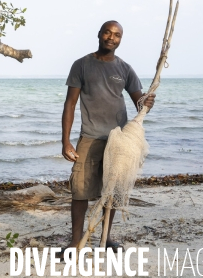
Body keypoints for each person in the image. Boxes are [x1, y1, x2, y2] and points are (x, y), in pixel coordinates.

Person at [61, 20, 155, 251]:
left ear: (120, 39)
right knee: (79, 191)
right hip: (90, 137)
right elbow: (70, 104)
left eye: (117, 35)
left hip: (118, 141)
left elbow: (139, 104)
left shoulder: (124, 68)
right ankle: (75, 242)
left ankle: (105, 239)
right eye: (108, 33)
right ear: (99, 34)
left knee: (112, 192)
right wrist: (65, 141)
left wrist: (147, 102)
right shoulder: (81, 65)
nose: (112, 38)